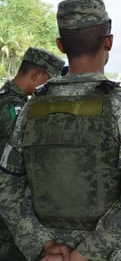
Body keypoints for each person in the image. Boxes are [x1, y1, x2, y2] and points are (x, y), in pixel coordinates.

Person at [0, 0, 121, 261]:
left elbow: (7, 186)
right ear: (109, 41)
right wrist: (85, 254)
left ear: (61, 45)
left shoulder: (30, 108)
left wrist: (43, 246)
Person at [0, 47, 64, 261]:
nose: (49, 89)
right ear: (35, 75)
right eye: (48, 82)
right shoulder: (13, 107)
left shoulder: (8, 99)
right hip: (7, 202)